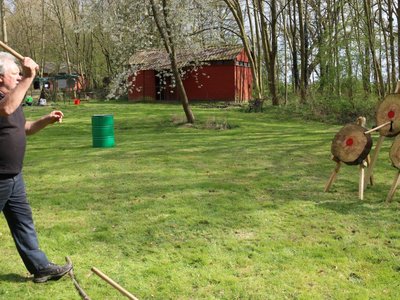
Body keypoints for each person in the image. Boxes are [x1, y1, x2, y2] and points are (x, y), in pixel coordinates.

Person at [0, 52, 72, 283]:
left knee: (23, 224)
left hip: (13, 177)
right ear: (0, 78)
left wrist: (46, 120)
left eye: (20, 73)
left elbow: (24, 128)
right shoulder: (4, 100)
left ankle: (40, 268)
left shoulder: (12, 97)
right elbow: (6, 110)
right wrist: (30, 77)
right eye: (15, 74)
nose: (19, 76)